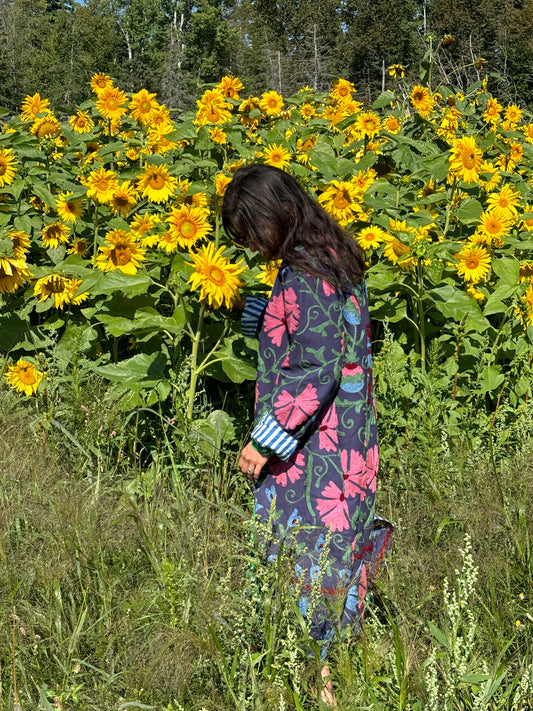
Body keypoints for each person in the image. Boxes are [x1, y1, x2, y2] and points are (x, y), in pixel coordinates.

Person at [222, 164, 392, 706]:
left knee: (310, 554)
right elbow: (326, 333)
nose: (251, 246)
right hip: (351, 438)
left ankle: (321, 686)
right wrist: (259, 312)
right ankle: (330, 670)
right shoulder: (335, 253)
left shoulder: (303, 272)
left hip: (319, 450)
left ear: (278, 216)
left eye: (252, 231)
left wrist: (265, 440)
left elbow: (314, 365)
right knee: (336, 553)